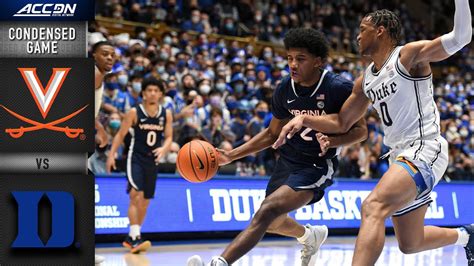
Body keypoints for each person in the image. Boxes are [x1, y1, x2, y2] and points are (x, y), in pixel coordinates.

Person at [273, 2, 473, 265]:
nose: (357, 35)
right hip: (399, 155)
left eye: (362, 29)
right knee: (410, 243)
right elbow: (343, 121)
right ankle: (467, 236)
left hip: (424, 147)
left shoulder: (408, 56)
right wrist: (303, 117)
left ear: (380, 31)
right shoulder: (365, 80)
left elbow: (461, 37)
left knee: (372, 206)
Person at [187, 28, 368, 266]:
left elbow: (361, 131)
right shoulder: (285, 88)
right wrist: (231, 155)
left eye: (300, 59)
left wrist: (333, 141)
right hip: (287, 160)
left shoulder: (338, 88)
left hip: (316, 164)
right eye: (290, 58)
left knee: (267, 210)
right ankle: (309, 236)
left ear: (318, 61)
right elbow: (272, 132)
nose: (293, 64)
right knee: (270, 220)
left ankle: (219, 263)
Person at [106, 78, 173, 253]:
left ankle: (134, 236)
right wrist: (111, 155)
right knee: (136, 194)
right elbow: (120, 135)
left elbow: (169, 137)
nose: (152, 93)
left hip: (153, 160)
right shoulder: (134, 112)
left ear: (160, 94)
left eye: (155, 90)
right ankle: (135, 236)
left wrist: (164, 149)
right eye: (149, 90)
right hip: (135, 157)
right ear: (143, 93)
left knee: (146, 200)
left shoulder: (166, 114)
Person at [92, 40, 116, 265]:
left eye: (112, 55)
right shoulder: (95, 74)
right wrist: (100, 129)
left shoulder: (97, 74)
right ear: (94, 55)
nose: (109, 58)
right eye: (104, 54)